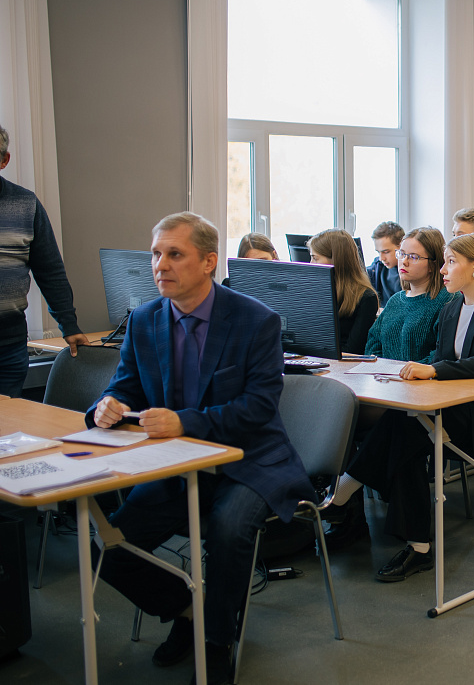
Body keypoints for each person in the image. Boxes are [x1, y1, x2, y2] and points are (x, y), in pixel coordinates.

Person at [86, 212, 314, 684]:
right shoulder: (145, 320)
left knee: (229, 530)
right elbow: (125, 385)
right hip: (179, 464)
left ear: (209, 262)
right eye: (156, 254)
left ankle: (217, 641)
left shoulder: (256, 320)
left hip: (250, 461)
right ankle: (190, 613)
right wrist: (107, 406)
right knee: (108, 547)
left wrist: (183, 421)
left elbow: (257, 408)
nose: (160, 265)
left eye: (175, 254)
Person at [332, 233, 474, 583]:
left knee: (406, 427)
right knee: (406, 428)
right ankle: (418, 546)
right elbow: (446, 359)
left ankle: (346, 488)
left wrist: (433, 370)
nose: (444, 270)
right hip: (450, 406)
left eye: (451, 262)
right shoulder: (452, 307)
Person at [324, 226, 455, 548]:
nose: (403, 262)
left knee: (399, 424)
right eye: (402, 254)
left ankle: (342, 493)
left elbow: (439, 355)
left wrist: (404, 372)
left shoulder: (446, 301)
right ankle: (350, 516)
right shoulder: (396, 300)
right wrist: (384, 369)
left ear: (434, 263)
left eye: (413, 256)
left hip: (422, 395)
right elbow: (373, 343)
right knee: (340, 414)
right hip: (385, 387)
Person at [0, 123, 87, 396]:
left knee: (8, 420)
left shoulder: (25, 204)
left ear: (4, 160)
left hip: (8, 347)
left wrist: (68, 324)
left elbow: (50, 271)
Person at [309, 229, 379, 354]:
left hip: (340, 362)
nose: (311, 263)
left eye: (315, 258)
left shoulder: (366, 298)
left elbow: (353, 350)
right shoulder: (315, 292)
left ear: (335, 260)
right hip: (314, 358)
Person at [366, 221, 404, 305]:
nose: (381, 258)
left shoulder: (411, 272)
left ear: (401, 245)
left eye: (386, 252)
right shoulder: (377, 267)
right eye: (378, 252)